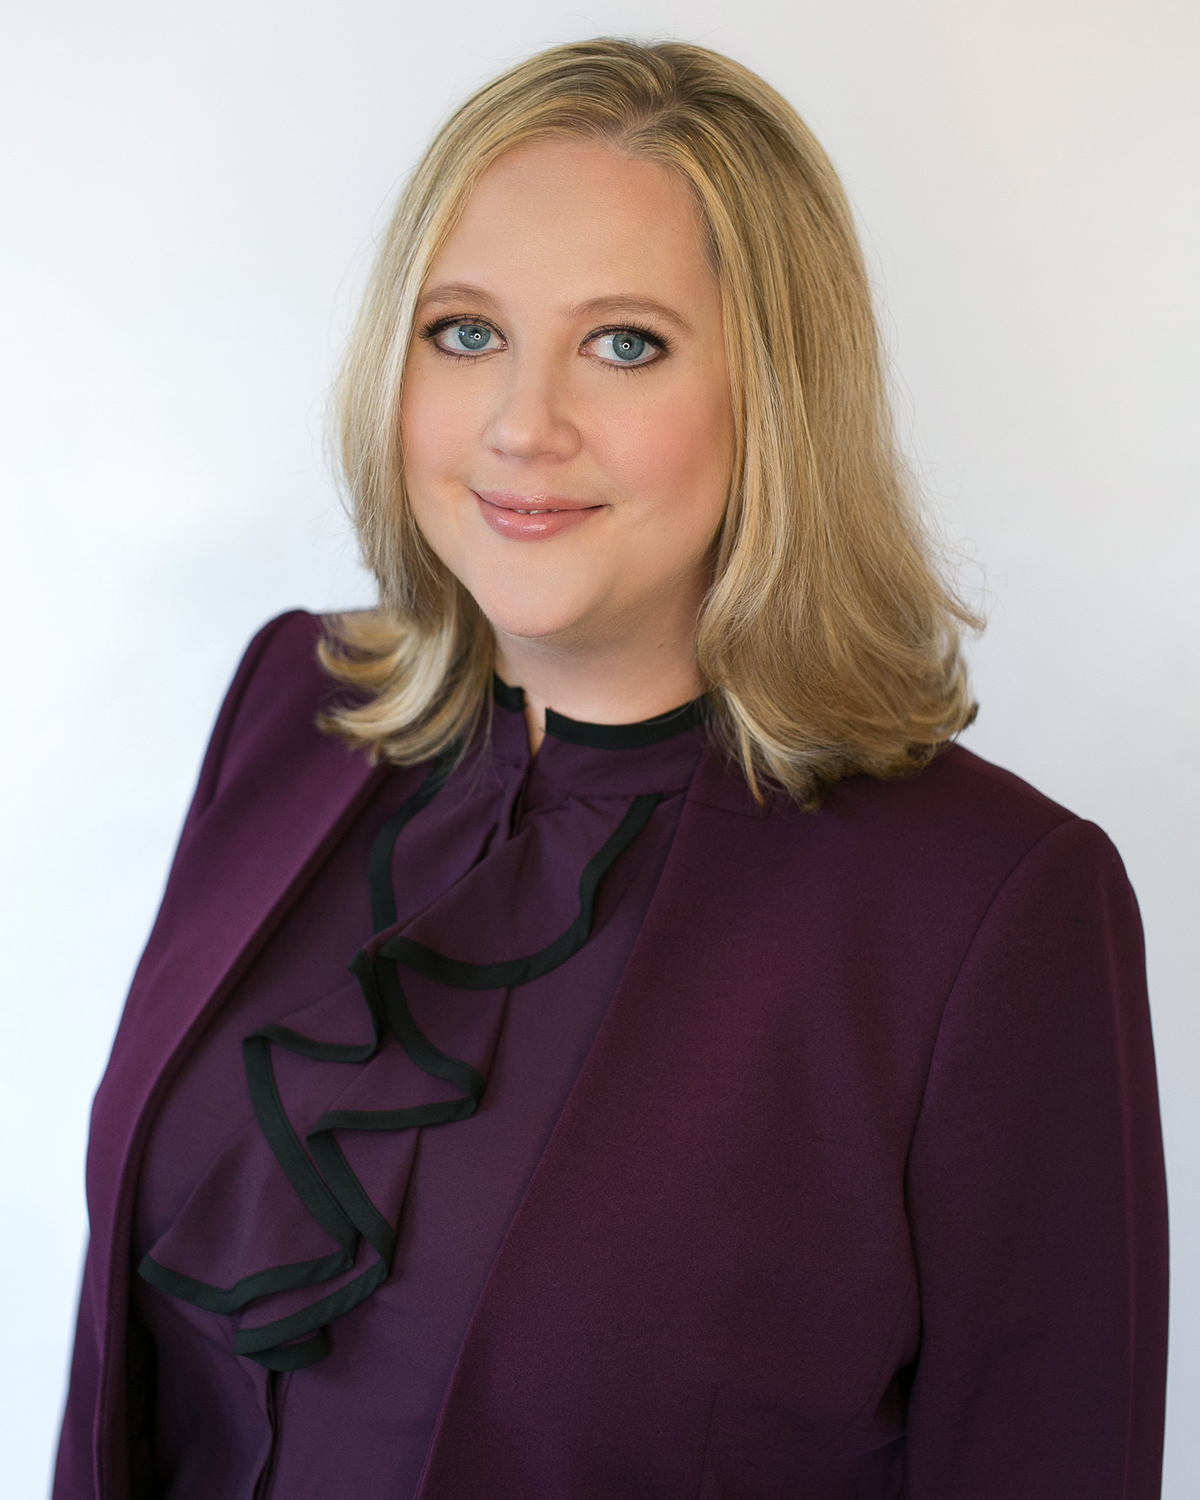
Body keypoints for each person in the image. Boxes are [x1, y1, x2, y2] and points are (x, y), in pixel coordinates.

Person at [53, 37, 1168, 1500]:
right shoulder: (293, 707)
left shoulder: (992, 908)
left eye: (625, 343)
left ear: (776, 394)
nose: (523, 425)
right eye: (465, 331)